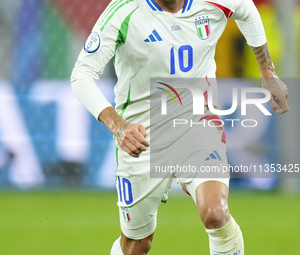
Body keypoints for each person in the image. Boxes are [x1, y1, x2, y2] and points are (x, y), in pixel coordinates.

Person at [71, 0, 289, 254]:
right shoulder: (124, 11)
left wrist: (267, 70)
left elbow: (247, 10)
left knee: (215, 212)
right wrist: (119, 126)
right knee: (137, 244)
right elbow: (82, 75)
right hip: (142, 137)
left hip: (197, 124)